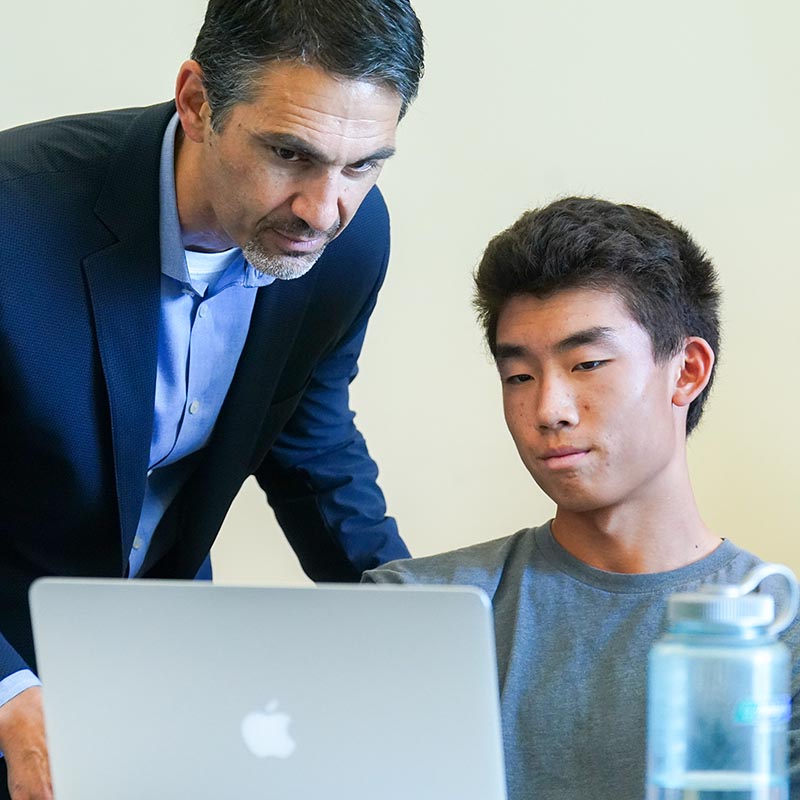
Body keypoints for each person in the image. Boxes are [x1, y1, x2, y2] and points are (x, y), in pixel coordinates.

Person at [0, 0, 424, 796]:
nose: (324, 210)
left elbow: (310, 441)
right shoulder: (10, 219)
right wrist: (10, 695)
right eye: (289, 154)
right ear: (197, 101)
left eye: (365, 165)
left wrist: (423, 638)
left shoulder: (347, 242)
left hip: (160, 653)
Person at [364, 197, 800, 799]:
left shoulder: (777, 632)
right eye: (518, 376)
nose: (548, 411)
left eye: (588, 363)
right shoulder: (416, 610)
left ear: (688, 370)